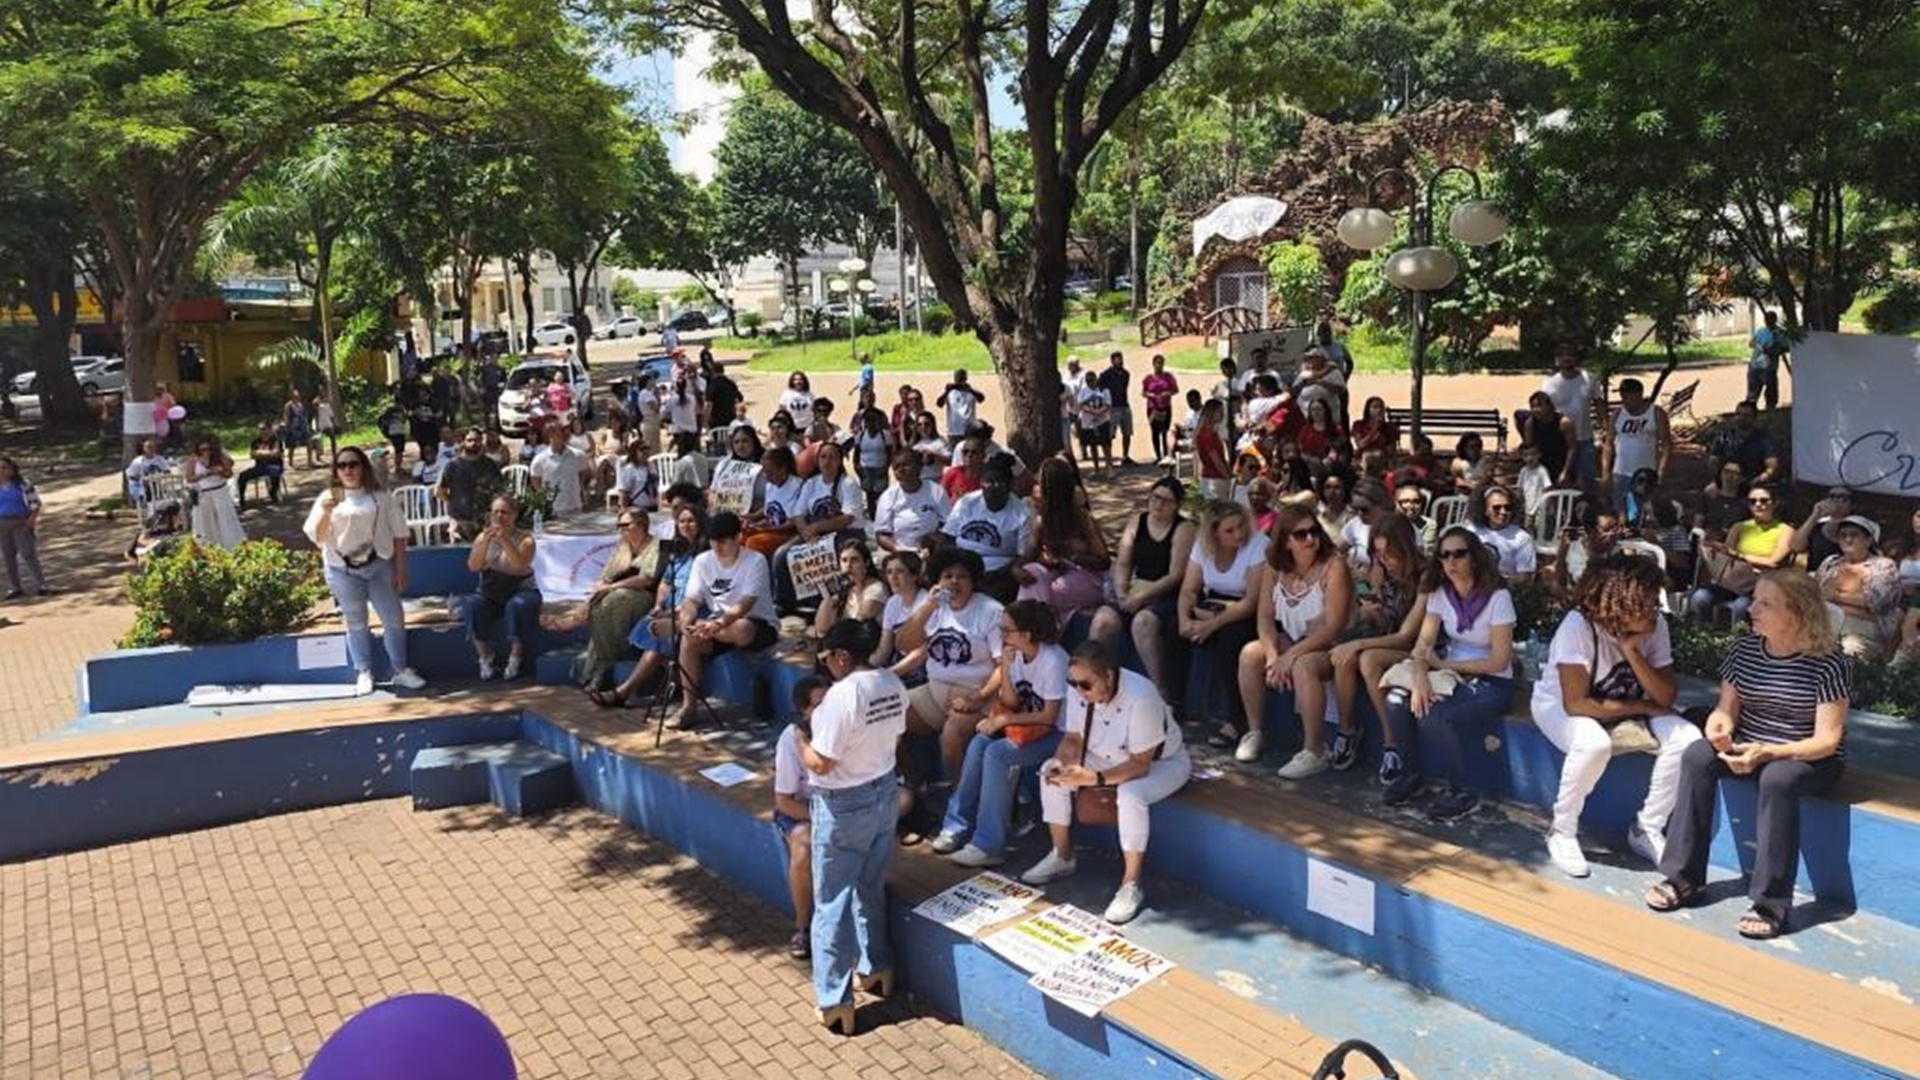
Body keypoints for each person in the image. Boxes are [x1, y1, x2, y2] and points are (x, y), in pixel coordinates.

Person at [1647, 571, 1848, 940]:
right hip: (1751, 746)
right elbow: (1726, 710)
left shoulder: (1828, 663)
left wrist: (1769, 753)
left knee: (1778, 777)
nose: (1751, 609)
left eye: (1765, 604)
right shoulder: (1743, 650)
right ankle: (1684, 878)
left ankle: (1771, 903)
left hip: (1806, 757)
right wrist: (1719, 727)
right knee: (1696, 755)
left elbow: (1827, 741)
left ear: (1797, 612)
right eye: (1754, 600)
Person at [1531, 552, 1699, 878]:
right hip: (1559, 705)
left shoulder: (1655, 626)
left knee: (1688, 739)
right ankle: (1562, 830)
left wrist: (1632, 652)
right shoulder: (1578, 626)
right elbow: (1577, 703)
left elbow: (1665, 696)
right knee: (1593, 743)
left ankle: (1646, 828)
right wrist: (1643, 707)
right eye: (1647, 602)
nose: (1656, 609)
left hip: (1622, 704)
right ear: (1619, 603)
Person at [1019, 640, 1191, 925]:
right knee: (1049, 771)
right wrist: (1062, 763)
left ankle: (1131, 884)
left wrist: (1094, 778)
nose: (1078, 691)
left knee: (1131, 792)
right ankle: (1062, 855)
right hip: (1105, 755)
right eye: (1073, 683)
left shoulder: (1141, 696)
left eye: (1085, 685)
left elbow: (1139, 764)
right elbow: (1073, 739)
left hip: (1163, 763)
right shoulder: (1079, 688)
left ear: (1109, 676)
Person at [796, 618, 909, 1035]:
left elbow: (822, 762)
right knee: (869, 886)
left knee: (832, 901)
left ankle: (834, 1001)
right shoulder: (892, 683)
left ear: (843, 657)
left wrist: (800, 744)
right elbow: (896, 738)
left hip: (844, 804)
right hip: (884, 792)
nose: (825, 666)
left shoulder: (841, 697)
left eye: (827, 658)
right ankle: (877, 969)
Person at [1379, 526, 1516, 818]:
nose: (1451, 562)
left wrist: (1444, 666)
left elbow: (1500, 661)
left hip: (1492, 681)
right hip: (1450, 675)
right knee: (1396, 700)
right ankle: (1411, 775)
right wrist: (1418, 679)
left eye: (1459, 554)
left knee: (1435, 713)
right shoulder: (1441, 593)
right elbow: (1423, 644)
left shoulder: (1497, 597)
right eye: (1444, 555)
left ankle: (1463, 790)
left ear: (1475, 557)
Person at [933, 600, 1070, 867]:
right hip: (1028, 729)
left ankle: (988, 845)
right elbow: (1011, 702)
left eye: (1007, 630)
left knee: (996, 753)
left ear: (1027, 634)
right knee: (979, 744)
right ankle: (956, 825)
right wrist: (1006, 670)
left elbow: (1049, 717)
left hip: (1059, 736)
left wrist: (1003, 720)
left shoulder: (1053, 659)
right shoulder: (1016, 654)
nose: (1002, 635)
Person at [1230, 502, 1354, 776]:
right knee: (1251, 654)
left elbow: (1333, 627)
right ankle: (1255, 732)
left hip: (1331, 646)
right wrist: (1274, 655)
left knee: (1303, 666)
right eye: (1300, 535)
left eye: (1313, 532)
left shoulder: (1334, 568)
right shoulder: (1274, 568)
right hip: (1293, 641)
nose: (1310, 539)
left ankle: (1315, 750)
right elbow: (1264, 617)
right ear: (1285, 541)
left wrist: (1290, 656)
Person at [303, 447, 426, 694]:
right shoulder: (329, 496)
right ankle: (363, 670)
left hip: (378, 565)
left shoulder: (381, 497)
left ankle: (400, 669)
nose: (348, 470)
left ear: (363, 467)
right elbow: (318, 536)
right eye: (342, 465)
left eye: (353, 464)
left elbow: (400, 534)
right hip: (342, 568)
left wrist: (401, 567)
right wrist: (326, 511)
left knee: (393, 619)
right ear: (336, 470)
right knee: (355, 621)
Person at [1329, 515, 1428, 781]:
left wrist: (1359, 643)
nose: (1385, 560)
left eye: (1390, 554)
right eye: (1380, 554)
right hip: (1393, 642)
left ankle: (1391, 741)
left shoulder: (1427, 576)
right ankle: (1346, 730)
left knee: (1367, 658)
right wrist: (1365, 613)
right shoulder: (1384, 572)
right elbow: (1388, 616)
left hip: (1424, 651)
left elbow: (1407, 635)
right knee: (1344, 654)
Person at [897, 547, 1005, 780]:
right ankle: (913, 784)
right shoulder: (932, 607)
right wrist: (928, 607)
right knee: (887, 716)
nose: (954, 582)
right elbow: (905, 643)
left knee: (952, 734)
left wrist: (978, 698)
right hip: (935, 691)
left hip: (980, 695)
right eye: (948, 576)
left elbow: (1004, 665)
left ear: (973, 581)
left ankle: (958, 803)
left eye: (962, 576)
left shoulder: (991, 610)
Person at [666, 511, 779, 729]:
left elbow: (745, 604)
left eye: (723, 542)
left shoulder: (755, 561)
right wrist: (687, 621)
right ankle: (688, 707)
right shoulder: (703, 561)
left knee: (742, 628)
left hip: (753, 624)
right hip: (712, 626)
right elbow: (691, 600)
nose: (717, 547)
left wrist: (716, 625)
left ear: (737, 538)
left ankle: (702, 630)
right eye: (713, 541)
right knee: (689, 640)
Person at [593, 506, 707, 707]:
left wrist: (678, 610)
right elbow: (665, 582)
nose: (686, 526)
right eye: (682, 521)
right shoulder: (677, 551)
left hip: (693, 609)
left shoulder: (706, 555)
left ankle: (623, 691)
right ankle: (673, 681)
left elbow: (703, 593)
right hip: (669, 606)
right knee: (651, 628)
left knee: (658, 641)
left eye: (691, 521)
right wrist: (658, 604)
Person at [1179, 500, 1270, 749]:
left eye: (1240, 526)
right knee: (1174, 632)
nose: (1239, 534)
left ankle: (1235, 719)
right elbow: (1188, 589)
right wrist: (1184, 620)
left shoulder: (1257, 545)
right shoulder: (1202, 548)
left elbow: (1252, 601)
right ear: (1214, 533)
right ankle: (1178, 705)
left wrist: (1211, 626)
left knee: (1229, 638)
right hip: (1214, 607)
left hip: (1248, 611)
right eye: (1229, 530)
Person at [567, 509, 661, 691]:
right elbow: (606, 576)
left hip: (644, 595)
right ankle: (605, 663)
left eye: (625, 525)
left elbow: (646, 579)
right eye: (619, 526)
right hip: (618, 592)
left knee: (614, 600)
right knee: (598, 605)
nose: (621, 530)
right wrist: (596, 592)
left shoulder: (655, 546)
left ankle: (602, 666)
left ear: (641, 525)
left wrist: (610, 588)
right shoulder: (622, 547)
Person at [1016, 457, 1112, 626]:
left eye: (1042, 484)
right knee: (1032, 572)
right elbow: (1029, 557)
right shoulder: (1042, 521)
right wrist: (1018, 569)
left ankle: (1037, 631)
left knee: (1046, 595)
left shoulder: (1082, 518)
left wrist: (1074, 557)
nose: (1037, 489)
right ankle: (1030, 629)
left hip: (1086, 576)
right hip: (1057, 572)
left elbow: (1104, 561)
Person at [775, 676, 830, 960]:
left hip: (841, 806)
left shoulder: (843, 727)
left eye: (830, 702)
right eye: (819, 706)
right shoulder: (791, 738)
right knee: (803, 846)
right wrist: (823, 818)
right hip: (804, 808)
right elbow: (783, 801)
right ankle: (803, 927)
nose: (827, 711)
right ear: (803, 711)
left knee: (903, 800)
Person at [459, 495, 539, 680]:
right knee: (472, 605)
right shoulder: (483, 537)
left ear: (514, 515)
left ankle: (516, 655)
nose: (499, 516)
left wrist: (504, 540)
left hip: (521, 589)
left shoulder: (526, 539)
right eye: (495, 512)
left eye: (504, 512)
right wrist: (484, 544)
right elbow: (473, 566)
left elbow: (519, 565)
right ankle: (485, 656)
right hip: (492, 590)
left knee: (517, 605)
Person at [1688, 483, 1792, 625]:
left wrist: (1741, 556)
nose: (1758, 505)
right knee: (1699, 597)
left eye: (1763, 500)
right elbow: (1728, 557)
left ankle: (1740, 643)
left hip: (1763, 585)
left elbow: (1773, 562)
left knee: (1742, 606)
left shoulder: (1785, 530)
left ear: (1774, 503)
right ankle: (1704, 640)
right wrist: (1715, 551)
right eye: (1753, 501)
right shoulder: (1739, 527)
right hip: (1734, 582)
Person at [939, 458, 1032, 601]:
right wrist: (958, 568)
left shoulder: (1022, 514)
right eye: (987, 483)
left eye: (998, 483)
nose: (991, 488)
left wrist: (992, 575)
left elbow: (1022, 557)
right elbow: (947, 537)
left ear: (1009, 485)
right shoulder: (967, 502)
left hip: (997, 572)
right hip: (962, 564)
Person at [1816, 516, 1901, 658]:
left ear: (1868, 541)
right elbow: (1815, 592)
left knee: (1846, 650)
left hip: (1861, 629)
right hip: (1822, 623)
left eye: (1854, 535)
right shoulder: (1830, 562)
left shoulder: (1883, 565)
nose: (1848, 539)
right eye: (1843, 535)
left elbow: (1876, 601)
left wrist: (1835, 596)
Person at [1601, 377, 1671, 497]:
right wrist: (1606, 472)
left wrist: (1661, 472)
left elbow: (1666, 445)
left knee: (1643, 510)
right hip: (1621, 473)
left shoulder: (1656, 413)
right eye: (1623, 397)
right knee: (1621, 510)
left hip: (1645, 474)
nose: (1625, 401)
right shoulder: (1618, 414)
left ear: (1639, 394)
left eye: (1629, 396)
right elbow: (1608, 444)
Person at [1541, 343, 1598, 484]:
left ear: (1577, 358)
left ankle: (1584, 505)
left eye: (1570, 355)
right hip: (1559, 439)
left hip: (1584, 438)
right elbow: (1544, 410)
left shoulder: (1590, 379)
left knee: (1586, 480)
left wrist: (1604, 428)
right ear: (1556, 360)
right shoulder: (1549, 383)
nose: (1566, 358)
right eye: (1562, 355)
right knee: (1560, 479)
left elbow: (1599, 402)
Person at [874, 450, 949, 555]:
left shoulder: (936, 491)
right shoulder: (888, 496)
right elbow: (881, 535)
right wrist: (899, 550)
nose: (901, 469)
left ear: (919, 467)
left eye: (905, 465)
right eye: (896, 467)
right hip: (899, 552)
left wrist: (934, 539)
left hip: (932, 551)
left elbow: (947, 525)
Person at [811, 541, 887, 643]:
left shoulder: (876, 588)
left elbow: (860, 623)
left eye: (854, 560)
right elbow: (821, 629)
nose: (848, 565)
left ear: (866, 563)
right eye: (844, 560)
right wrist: (828, 597)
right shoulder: (845, 589)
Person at [872, 551, 929, 686]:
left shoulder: (927, 602)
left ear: (914, 576)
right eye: (889, 572)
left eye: (899, 572)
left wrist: (888, 675)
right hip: (898, 666)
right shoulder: (892, 603)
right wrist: (866, 670)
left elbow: (923, 652)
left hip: (923, 671)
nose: (893, 577)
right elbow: (884, 648)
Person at [436, 428, 502, 540]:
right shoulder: (452, 466)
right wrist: (453, 501)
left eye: (477, 440)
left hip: (485, 521)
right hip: (460, 522)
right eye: (469, 440)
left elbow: (500, 491)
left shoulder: (490, 465)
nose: (473, 443)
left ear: (482, 442)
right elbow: (439, 492)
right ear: (463, 442)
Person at [0, 457, 51, 600]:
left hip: (21, 522)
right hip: (2, 523)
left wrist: (31, 520)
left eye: (4, 467)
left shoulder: (23, 484)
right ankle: (15, 587)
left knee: (28, 553)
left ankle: (42, 585)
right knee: (8, 555)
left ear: (12, 469)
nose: (1, 471)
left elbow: (35, 503)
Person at [1468, 484, 1536, 584]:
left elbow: (1524, 577)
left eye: (1507, 507)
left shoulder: (1522, 538)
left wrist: (1497, 583)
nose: (1503, 512)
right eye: (1497, 508)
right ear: (1486, 511)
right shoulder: (1471, 531)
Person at [186, 436, 246, 549]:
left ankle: (231, 545)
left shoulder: (219, 457)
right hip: (204, 494)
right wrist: (207, 473)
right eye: (203, 450)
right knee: (206, 522)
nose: (206, 452)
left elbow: (229, 474)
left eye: (209, 449)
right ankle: (208, 546)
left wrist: (220, 470)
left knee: (225, 520)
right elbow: (189, 478)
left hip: (219, 491)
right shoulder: (193, 459)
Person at [743, 447, 803, 557]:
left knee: (754, 543)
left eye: (770, 472)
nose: (766, 476)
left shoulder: (796, 486)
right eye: (764, 472)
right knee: (740, 536)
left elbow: (791, 524)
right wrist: (751, 521)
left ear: (782, 469)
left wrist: (764, 529)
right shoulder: (770, 486)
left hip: (789, 534)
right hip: (772, 529)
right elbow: (769, 514)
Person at [1706, 401, 1780, 489]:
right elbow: (1713, 461)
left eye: (1746, 415)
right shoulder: (1724, 437)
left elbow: (1772, 467)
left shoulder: (1763, 439)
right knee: (1710, 491)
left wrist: (1755, 482)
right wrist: (1720, 480)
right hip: (1727, 482)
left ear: (1754, 418)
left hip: (1753, 483)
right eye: (1738, 414)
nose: (1741, 418)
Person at [530, 420, 592, 517]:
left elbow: (584, 476)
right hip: (553, 511)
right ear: (551, 434)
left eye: (566, 430)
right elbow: (536, 482)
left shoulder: (578, 455)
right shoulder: (540, 460)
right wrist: (547, 500)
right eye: (561, 430)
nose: (566, 433)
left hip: (575, 509)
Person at [851, 408, 894, 516]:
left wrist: (886, 467)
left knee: (881, 493)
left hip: (880, 467)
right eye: (868, 420)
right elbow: (856, 452)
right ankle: (872, 514)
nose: (871, 422)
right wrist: (856, 467)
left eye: (873, 420)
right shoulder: (860, 436)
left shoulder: (885, 435)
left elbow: (889, 453)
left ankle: (882, 513)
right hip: (865, 468)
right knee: (869, 492)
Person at [1746, 309, 1791, 411]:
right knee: (1753, 392)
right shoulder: (1761, 331)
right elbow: (1751, 343)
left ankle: (1770, 410)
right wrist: (1759, 346)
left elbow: (1786, 347)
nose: (1768, 321)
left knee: (1771, 392)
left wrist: (1775, 350)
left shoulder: (1779, 333)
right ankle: (1750, 411)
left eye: (1770, 319)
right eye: (1766, 319)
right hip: (1755, 365)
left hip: (1769, 367)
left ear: (1775, 320)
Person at [1075, 368, 1115, 478]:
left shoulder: (1104, 390)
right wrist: (1092, 411)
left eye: (1092, 380)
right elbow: (1081, 405)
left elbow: (1108, 405)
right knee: (1092, 446)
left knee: (1106, 445)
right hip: (1088, 423)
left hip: (1103, 421)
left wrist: (1099, 412)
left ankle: (1110, 468)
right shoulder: (1083, 391)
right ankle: (1096, 469)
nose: (1090, 383)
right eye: (1088, 381)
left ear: (1096, 379)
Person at [236, 423, 284, 510]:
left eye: (265, 429)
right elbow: (252, 455)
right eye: (261, 429)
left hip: (274, 465)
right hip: (259, 467)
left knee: (275, 473)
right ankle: (242, 500)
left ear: (270, 429)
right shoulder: (255, 442)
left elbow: (277, 454)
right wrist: (268, 453)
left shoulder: (276, 440)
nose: (263, 431)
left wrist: (260, 453)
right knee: (242, 476)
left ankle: (273, 493)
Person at [1141, 354, 1179, 463]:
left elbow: (1175, 390)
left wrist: (1168, 393)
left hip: (1165, 407)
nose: (1159, 365)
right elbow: (1143, 393)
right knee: (1154, 431)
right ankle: (1158, 455)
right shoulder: (1148, 379)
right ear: (1153, 364)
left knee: (1165, 431)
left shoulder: (1168, 377)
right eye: (1157, 363)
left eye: (1161, 363)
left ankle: (1167, 454)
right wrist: (1150, 395)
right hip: (1152, 408)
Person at [1099, 351, 1135, 466]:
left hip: (1124, 405)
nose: (1120, 362)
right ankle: (1109, 459)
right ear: (1112, 361)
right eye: (1117, 360)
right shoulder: (1105, 375)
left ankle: (1125, 456)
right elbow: (1101, 390)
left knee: (1127, 432)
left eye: (1121, 360)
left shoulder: (1126, 374)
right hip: (1112, 408)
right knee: (1110, 435)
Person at [1194, 398, 1231, 501]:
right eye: (1219, 412)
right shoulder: (1207, 435)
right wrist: (1227, 476)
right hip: (1215, 478)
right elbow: (1216, 460)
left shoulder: (1210, 433)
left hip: (1209, 477)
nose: (1222, 414)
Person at [936, 369, 985, 444]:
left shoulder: (971, 392)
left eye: (962, 377)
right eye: (958, 377)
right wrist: (947, 391)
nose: (960, 380)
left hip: (969, 430)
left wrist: (970, 389)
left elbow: (981, 399)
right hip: (954, 432)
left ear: (966, 378)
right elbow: (939, 404)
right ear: (954, 378)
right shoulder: (950, 392)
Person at [614, 439, 659, 513]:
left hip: (653, 507)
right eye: (642, 449)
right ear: (635, 452)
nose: (646, 452)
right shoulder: (629, 469)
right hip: (637, 508)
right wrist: (623, 509)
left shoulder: (652, 466)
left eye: (648, 449)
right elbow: (623, 492)